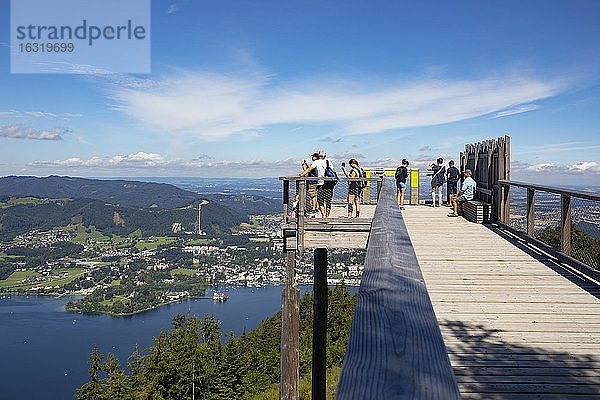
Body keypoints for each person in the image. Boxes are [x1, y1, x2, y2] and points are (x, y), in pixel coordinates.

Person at [299, 149, 335, 218]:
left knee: (320, 200)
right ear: (325, 155)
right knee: (328, 201)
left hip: (320, 184)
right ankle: (327, 216)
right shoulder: (328, 162)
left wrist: (301, 175)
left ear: (319, 155)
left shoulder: (316, 162)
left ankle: (323, 216)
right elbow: (334, 171)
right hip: (329, 184)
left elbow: (309, 169)